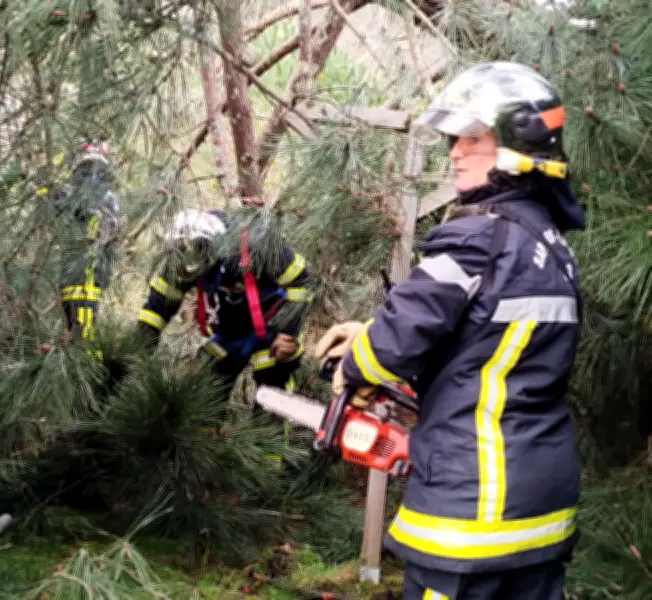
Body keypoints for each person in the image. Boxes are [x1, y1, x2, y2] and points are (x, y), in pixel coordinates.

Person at [314, 62, 586, 600]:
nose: (455, 152)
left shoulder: (475, 236)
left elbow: (395, 343)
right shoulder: (552, 246)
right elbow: (486, 338)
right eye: (453, 139)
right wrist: (370, 331)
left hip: (472, 509)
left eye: (472, 138)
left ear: (516, 146)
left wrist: (351, 368)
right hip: (543, 505)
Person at [136, 208, 314, 464]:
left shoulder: (259, 246)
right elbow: (159, 304)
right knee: (205, 380)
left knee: (271, 390)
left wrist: (287, 332)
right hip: (229, 333)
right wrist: (136, 350)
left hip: (272, 333)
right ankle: (204, 459)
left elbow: (303, 281)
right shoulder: (185, 257)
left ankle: (267, 471)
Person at [49, 138, 122, 359]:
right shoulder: (103, 197)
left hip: (86, 273)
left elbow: (111, 229)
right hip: (78, 274)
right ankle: (82, 369)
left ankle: (86, 372)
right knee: (79, 329)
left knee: (82, 331)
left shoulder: (104, 197)